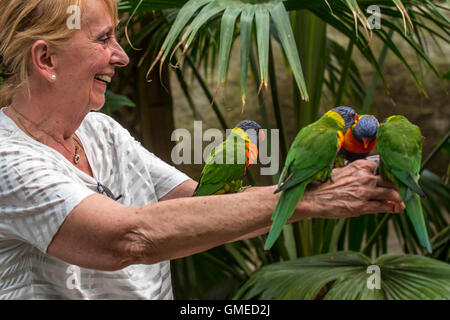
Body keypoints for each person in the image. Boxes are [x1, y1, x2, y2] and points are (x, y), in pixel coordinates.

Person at [0, 0, 404, 300]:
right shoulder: (8, 158)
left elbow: (201, 202)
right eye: (104, 38)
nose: (121, 56)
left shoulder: (103, 130)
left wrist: (318, 188)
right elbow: (127, 238)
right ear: (46, 58)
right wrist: (313, 196)